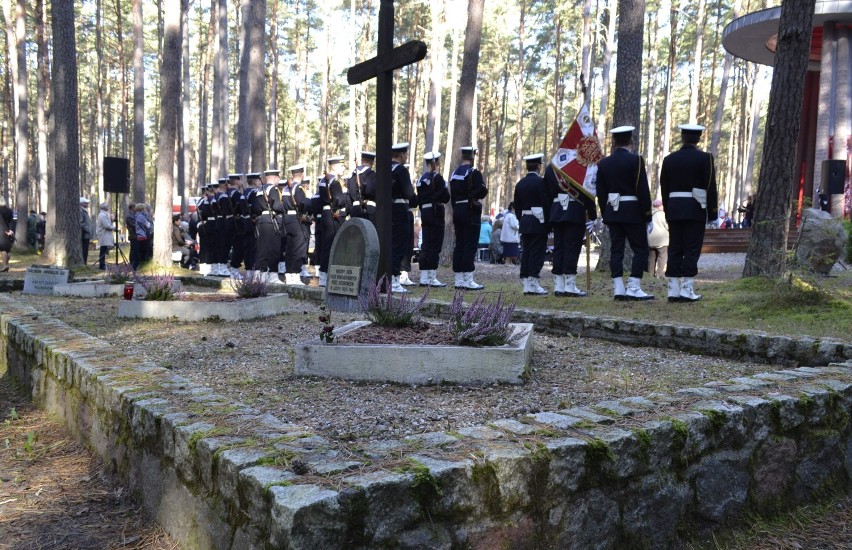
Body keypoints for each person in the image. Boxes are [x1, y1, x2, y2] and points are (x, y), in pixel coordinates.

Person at [660, 123, 718, 302]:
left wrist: (668, 209)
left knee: (675, 248)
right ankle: (687, 289)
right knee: (692, 248)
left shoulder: (669, 159)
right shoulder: (705, 158)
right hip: (695, 208)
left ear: (682, 138)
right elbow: (710, 187)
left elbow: (664, 187)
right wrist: (713, 212)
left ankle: (672, 290)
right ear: (698, 138)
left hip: (674, 208)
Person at [595, 126, 654, 301]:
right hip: (633, 212)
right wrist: (647, 214)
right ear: (631, 141)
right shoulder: (636, 160)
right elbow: (642, 190)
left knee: (616, 250)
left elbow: (601, 192)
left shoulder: (604, 163)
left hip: (613, 213)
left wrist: (606, 214)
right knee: (641, 249)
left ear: (614, 142)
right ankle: (634, 286)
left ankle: (618, 288)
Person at [545, 164, 598, 297]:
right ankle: (569, 285)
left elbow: (547, 193)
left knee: (559, 247)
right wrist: (592, 215)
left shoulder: (550, 168)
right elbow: (588, 190)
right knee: (572, 248)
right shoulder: (581, 165)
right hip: (575, 210)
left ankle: (558, 285)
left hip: (557, 210)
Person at [450, 146, 488, 289]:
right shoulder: (474, 172)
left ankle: (458, 279)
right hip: (470, 211)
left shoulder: (454, 174)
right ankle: (468, 279)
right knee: (470, 245)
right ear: (472, 157)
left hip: (458, 210)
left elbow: (452, 196)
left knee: (459, 244)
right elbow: (482, 191)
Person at [514, 154, 549, 295]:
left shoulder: (520, 184)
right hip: (539, 222)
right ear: (539, 166)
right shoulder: (542, 183)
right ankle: (533, 282)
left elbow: (517, 206)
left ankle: (526, 282)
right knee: (537, 252)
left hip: (525, 221)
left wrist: (521, 219)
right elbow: (546, 203)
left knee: (527, 251)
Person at [416, 151, 449, 286]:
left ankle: (424, 276)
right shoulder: (439, 179)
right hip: (436, 212)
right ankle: (431, 276)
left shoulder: (421, 179)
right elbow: (446, 198)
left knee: (426, 244)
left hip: (425, 212)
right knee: (435, 244)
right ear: (436, 163)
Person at [317, 156, 349, 287]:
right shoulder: (334, 181)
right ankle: (327, 276)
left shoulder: (323, 181)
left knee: (326, 245)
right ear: (334, 166)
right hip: (333, 215)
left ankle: (324, 276)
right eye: (341, 165)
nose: (343, 168)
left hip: (326, 214)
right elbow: (339, 200)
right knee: (332, 246)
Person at [389, 143, 416, 293]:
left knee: (390, 245)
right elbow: (408, 192)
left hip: (387, 210)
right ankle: (394, 280)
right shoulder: (400, 170)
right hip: (400, 210)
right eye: (405, 154)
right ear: (401, 155)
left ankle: (389, 278)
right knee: (398, 245)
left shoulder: (385, 169)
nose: (406, 157)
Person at [347, 151, 377, 221]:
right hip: (369, 210)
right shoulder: (371, 174)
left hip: (354, 210)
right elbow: (371, 191)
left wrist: (352, 209)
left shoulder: (352, 175)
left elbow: (348, 197)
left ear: (362, 160)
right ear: (372, 163)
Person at [647, 199, 669, 278]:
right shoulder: (662, 214)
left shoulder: (649, 213)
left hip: (650, 240)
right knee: (662, 256)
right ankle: (660, 274)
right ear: (660, 206)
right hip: (661, 240)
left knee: (651, 257)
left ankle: (650, 274)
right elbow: (667, 226)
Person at [95, 202, 116, 270]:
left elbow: (108, 224)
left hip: (105, 234)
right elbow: (107, 226)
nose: (108, 208)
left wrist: (112, 220)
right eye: (107, 206)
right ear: (105, 208)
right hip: (104, 234)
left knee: (104, 249)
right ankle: (102, 265)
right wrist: (114, 228)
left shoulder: (104, 214)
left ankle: (102, 264)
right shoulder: (102, 215)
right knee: (103, 250)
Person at [133, 203, 152, 268]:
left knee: (141, 251)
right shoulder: (140, 216)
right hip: (142, 235)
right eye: (144, 208)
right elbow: (148, 225)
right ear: (141, 209)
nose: (145, 210)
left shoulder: (137, 215)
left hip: (140, 235)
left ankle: (140, 264)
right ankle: (140, 265)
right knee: (143, 251)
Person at [0, 196, 14, 271]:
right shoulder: (9, 210)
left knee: (3, 249)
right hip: (9, 231)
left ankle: (5, 265)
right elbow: (12, 221)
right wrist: (11, 230)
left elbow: (1, 221)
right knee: (8, 249)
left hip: (2, 231)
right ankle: (6, 265)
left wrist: (6, 230)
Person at [80, 197, 93, 264]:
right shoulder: (80, 211)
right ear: (82, 203)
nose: (87, 203)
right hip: (84, 234)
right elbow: (81, 223)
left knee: (85, 250)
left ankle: (85, 262)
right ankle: (84, 263)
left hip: (86, 234)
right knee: (84, 250)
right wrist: (88, 230)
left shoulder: (84, 210)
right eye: (86, 202)